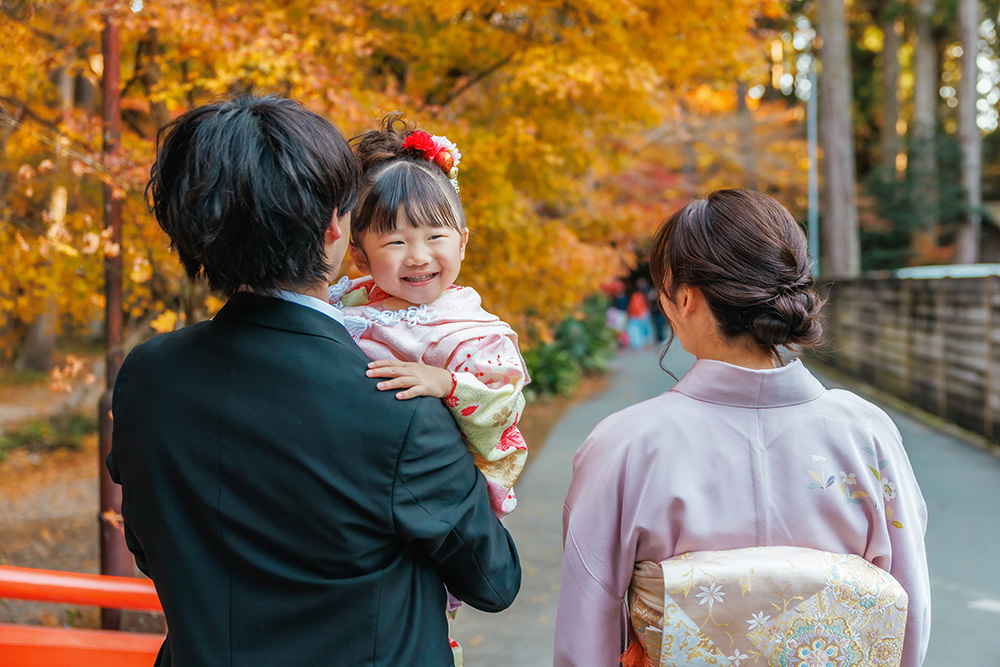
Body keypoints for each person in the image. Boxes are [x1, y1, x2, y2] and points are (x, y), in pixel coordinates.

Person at [107, 95, 520, 667]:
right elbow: (494, 581)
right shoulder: (398, 404)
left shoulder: (148, 378)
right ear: (335, 231)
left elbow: (153, 549)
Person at [553, 189, 929, 666]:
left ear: (684, 297)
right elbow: (906, 612)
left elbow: (587, 629)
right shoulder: (868, 434)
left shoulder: (624, 445)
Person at [330, 113, 529, 520]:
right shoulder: (346, 302)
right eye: (396, 241)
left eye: (436, 236)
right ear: (359, 254)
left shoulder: (472, 333)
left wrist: (448, 383)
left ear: (463, 241)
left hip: (427, 495)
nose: (419, 256)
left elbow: (504, 405)